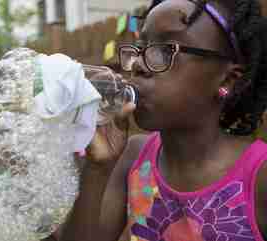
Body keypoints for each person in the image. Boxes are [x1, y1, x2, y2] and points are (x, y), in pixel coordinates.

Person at [47, 0, 267, 240]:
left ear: (227, 80)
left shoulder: (259, 176)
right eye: (140, 48)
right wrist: (98, 168)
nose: (139, 64)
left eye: (165, 50)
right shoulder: (132, 159)